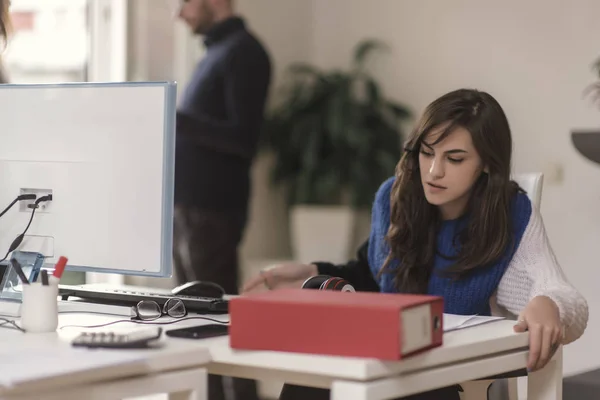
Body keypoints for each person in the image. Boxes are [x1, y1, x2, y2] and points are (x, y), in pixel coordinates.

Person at [242, 88, 589, 400]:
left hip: (446, 376)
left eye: (454, 159)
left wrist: (550, 304)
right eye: (426, 153)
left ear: (486, 164)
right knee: (312, 376)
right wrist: (314, 271)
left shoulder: (509, 214)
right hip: (385, 362)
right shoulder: (393, 197)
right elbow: (373, 272)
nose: (434, 171)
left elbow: (564, 297)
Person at [174, 0, 271, 399]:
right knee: (192, 319)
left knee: (217, 318)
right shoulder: (216, 52)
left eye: (184, 2)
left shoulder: (245, 52)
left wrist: (177, 118)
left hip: (213, 209)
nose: (179, 13)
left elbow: (243, 139)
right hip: (191, 207)